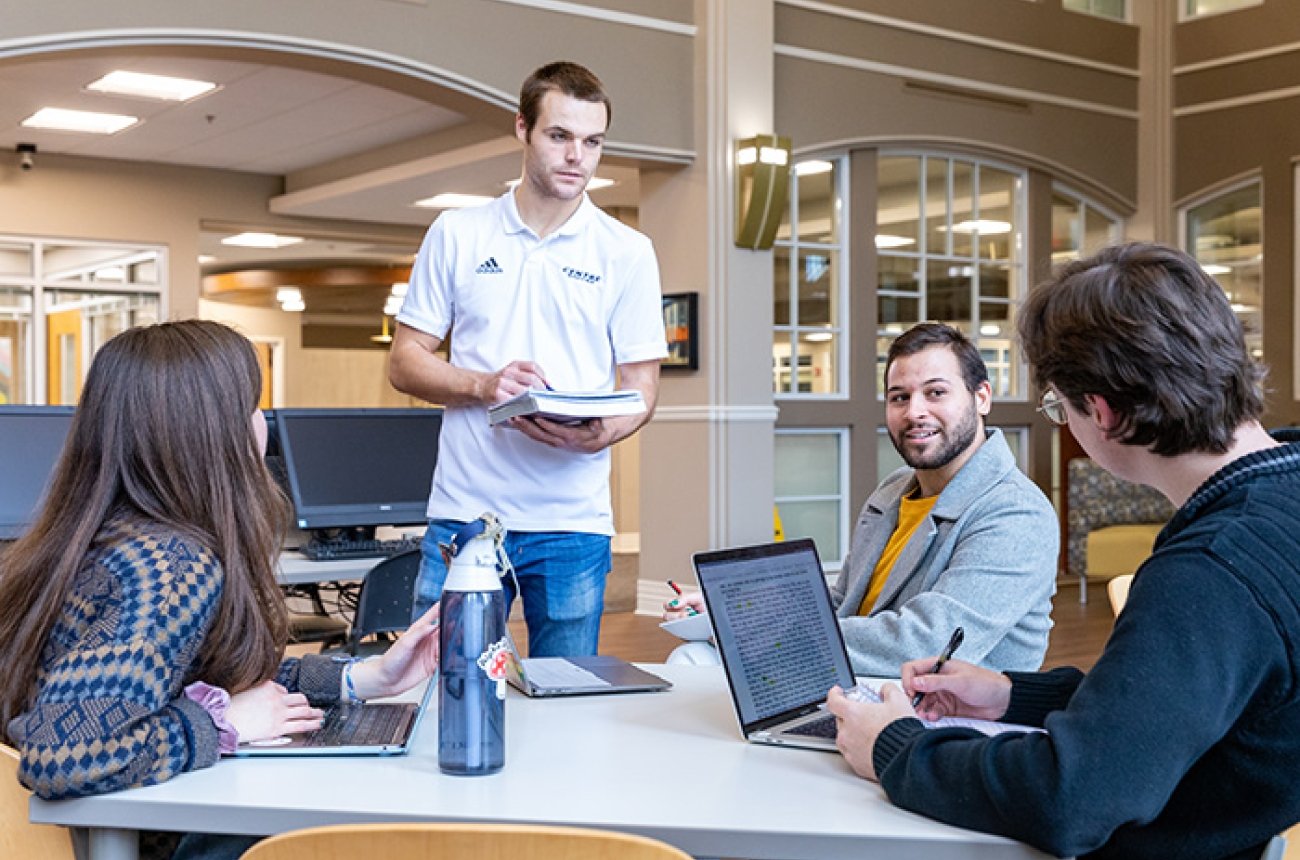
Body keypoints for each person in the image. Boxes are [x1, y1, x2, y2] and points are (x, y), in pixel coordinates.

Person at [828, 242, 1300, 860]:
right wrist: (1014, 694)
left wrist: (895, 746)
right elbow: (1162, 711)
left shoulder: (1207, 573)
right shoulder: (1277, 503)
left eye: (1058, 407)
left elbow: (1069, 799)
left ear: (1100, 412)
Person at [0, 321, 440, 859]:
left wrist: (364, 678)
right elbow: (65, 754)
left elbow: (198, 677)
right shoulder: (167, 565)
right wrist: (221, 722)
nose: (263, 424)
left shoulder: (107, 536)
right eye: (253, 406)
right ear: (213, 432)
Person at [390, 60, 666, 657]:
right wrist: (484, 384)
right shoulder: (458, 232)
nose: (577, 157)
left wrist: (601, 433)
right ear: (523, 128)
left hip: (573, 522)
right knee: (435, 683)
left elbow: (642, 386)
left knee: (566, 692)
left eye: (592, 142)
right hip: (465, 514)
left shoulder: (628, 251)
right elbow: (405, 361)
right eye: (559, 136)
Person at [666, 322, 1057, 676]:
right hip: (857, 684)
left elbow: (926, 644)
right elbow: (842, 602)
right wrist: (735, 611)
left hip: (932, 709)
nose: (914, 412)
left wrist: (755, 632)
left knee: (702, 670)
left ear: (982, 397)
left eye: (936, 393)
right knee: (694, 658)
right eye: (899, 397)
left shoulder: (1016, 514)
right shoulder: (894, 490)